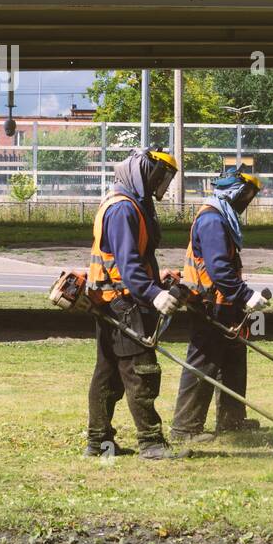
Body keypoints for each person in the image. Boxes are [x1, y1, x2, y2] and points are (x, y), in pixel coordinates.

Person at [86, 148, 186, 459]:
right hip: (123, 303)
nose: (163, 182)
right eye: (160, 175)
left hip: (116, 299)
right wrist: (154, 294)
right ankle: (151, 444)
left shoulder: (131, 204)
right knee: (140, 371)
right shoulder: (123, 209)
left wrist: (159, 281)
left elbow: (137, 260)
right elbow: (128, 267)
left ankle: (99, 444)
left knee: (109, 373)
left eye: (167, 177)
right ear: (142, 171)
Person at [170, 167, 269, 443]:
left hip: (226, 304)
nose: (246, 201)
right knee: (203, 364)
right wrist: (246, 295)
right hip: (210, 303)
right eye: (246, 195)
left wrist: (237, 299)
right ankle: (185, 429)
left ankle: (231, 420)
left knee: (233, 361)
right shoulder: (213, 220)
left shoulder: (223, 217)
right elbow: (219, 269)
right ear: (234, 192)